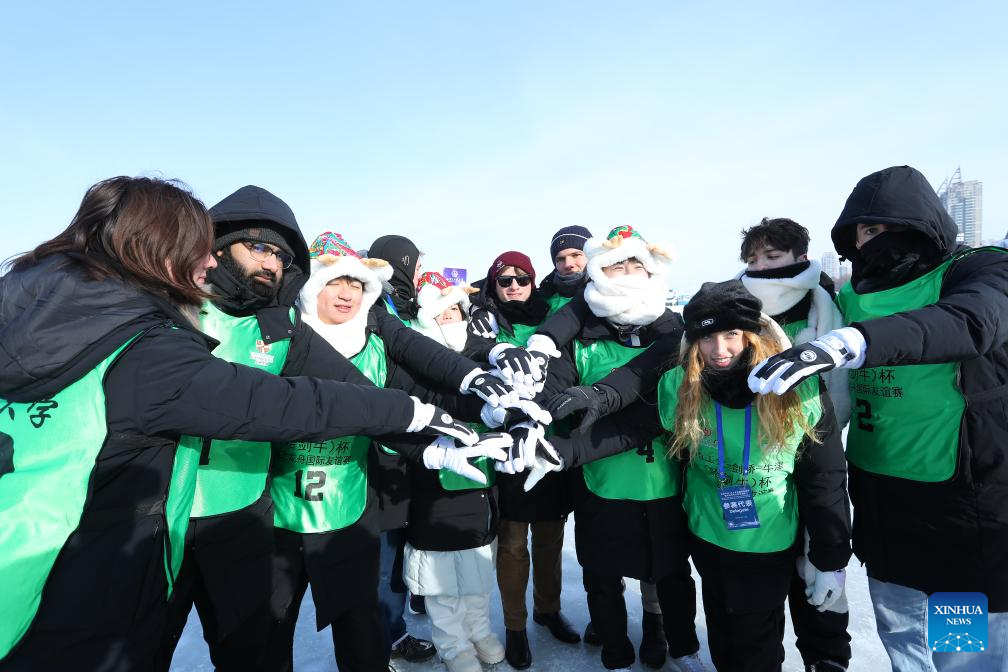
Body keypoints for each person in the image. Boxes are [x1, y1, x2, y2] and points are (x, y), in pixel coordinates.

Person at [0, 177, 486, 672]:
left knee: (254, 651)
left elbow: (350, 390)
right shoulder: (154, 325)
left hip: (236, 520)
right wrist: (415, 415)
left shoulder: (275, 326)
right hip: (140, 525)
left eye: (281, 256)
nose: (271, 264)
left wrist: (428, 437)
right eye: (258, 248)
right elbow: (274, 403)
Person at [749, 165, 1008, 670]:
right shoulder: (852, 295)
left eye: (884, 227)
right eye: (864, 232)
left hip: (962, 499)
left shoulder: (977, 270)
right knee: (901, 632)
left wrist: (852, 341)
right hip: (882, 495)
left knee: (962, 647)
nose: (873, 241)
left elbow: (971, 320)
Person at [529, 280, 852, 672]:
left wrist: (830, 559)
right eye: (707, 337)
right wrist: (559, 452)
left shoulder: (797, 389)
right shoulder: (681, 385)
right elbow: (631, 429)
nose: (720, 350)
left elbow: (825, 479)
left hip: (767, 541)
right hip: (708, 535)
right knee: (722, 639)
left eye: (732, 334)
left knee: (756, 647)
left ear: (752, 333)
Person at [268, 234, 513, 672]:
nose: (346, 293)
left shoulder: (375, 342)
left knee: (360, 624)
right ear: (310, 286)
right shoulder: (280, 338)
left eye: (356, 284)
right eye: (334, 282)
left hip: (350, 503)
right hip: (278, 509)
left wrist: (488, 408)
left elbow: (419, 393)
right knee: (270, 628)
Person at [531, 226, 704, 672]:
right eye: (614, 266)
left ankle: (666, 636)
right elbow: (555, 391)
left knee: (667, 570)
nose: (625, 273)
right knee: (602, 571)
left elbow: (670, 398)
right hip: (598, 477)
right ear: (598, 273)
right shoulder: (581, 336)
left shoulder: (674, 333)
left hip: (662, 475)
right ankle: (615, 646)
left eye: (634, 265)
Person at [738, 217, 852, 671]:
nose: (761, 267)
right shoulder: (737, 308)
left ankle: (826, 656)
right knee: (764, 570)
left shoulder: (826, 303)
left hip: (816, 441)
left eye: (772, 256)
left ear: (800, 257)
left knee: (818, 559)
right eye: (753, 259)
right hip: (753, 456)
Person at [464, 251, 581, 670]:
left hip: (550, 442)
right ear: (492, 284)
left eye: (522, 279)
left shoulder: (554, 317)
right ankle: (515, 626)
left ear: (534, 282)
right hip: (507, 448)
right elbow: (469, 355)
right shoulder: (484, 321)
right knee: (513, 544)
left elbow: (568, 368)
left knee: (550, 538)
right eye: (504, 280)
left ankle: (548, 609)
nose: (513, 286)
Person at [402, 270, 509, 672]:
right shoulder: (413, 361)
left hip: (480, 480)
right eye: (439, 311)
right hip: (433, 482)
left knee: (478, 565)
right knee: (441, 576)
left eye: (454, 311)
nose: (448, 317)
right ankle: (452, 644)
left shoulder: (483, 354)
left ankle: (479, 631)